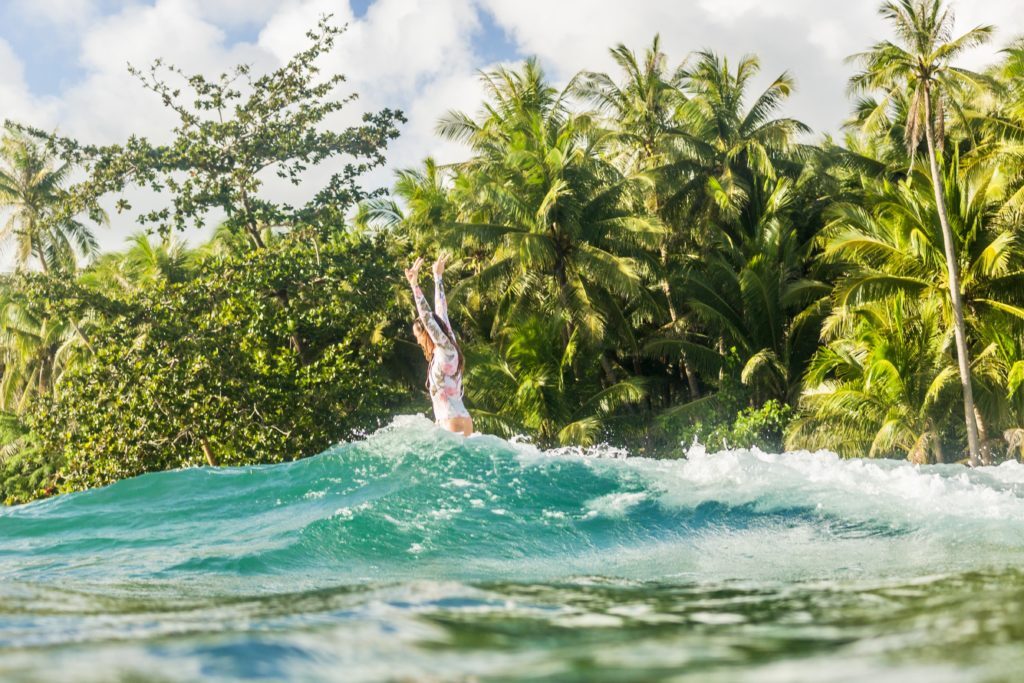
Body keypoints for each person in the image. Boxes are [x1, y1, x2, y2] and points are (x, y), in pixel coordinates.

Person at [405, 255, 474, 436]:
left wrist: (414, 285)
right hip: (459, 419)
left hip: (452, 421)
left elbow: (428, 318)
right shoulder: (448, 347)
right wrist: (438, 278)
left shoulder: (445, 350)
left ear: (427, 333)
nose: (418, 341)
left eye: (418, 336)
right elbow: (441, 312)